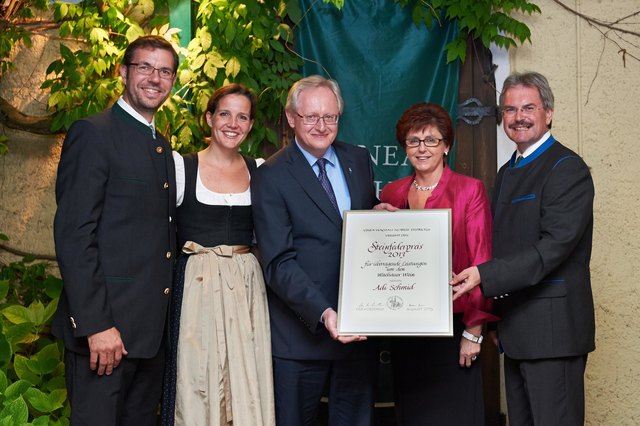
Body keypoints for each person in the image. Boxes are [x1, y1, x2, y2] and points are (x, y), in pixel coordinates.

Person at [450, 71, 595, 426]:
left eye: (528, 107)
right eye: (510, 110)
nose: (519, 117)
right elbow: (503, 246)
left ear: (549, 112)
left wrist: (484, 275)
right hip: (515, 332)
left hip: (553, 336)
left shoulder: (567, 168)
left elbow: (553, 248)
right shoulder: (507, 171)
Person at [53, 35, 179, 425]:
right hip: (105, 336)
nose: (154, 78)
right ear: (123, 72)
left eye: (165, 71)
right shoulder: (94, 133)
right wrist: (97, 325)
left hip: (148, 337)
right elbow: (75, 235)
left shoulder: (160, 142)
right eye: (144, 67)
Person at [251, 75, 378, 426]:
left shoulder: (359, 160)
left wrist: (379, 214)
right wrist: (324, 313)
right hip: (300, 337)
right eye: (312, 117)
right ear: (292, 118)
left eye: (330, 117)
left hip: (356, 334)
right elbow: (278, 262)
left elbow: (361, 229)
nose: (322, 126)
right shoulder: (271, 175)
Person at [161, 84, 275, 425]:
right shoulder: (182, 168)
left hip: (245, 290)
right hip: (196, 287)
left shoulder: (260, 169)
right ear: (209, 118)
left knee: (246, 378)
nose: (233, 123)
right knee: (196, 379)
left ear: (251, 125)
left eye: (242, 116)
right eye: (225, 113)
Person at [378, 102, 498, 425]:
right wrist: (372, 221)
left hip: (453, 329)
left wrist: (474, 331)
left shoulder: (469, 191)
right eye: (414, 140)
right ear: (404, 147)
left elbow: (482, 261)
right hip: (406, 331)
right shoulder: (391, 193)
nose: (422, 148)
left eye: (431, 140)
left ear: (446, 145)